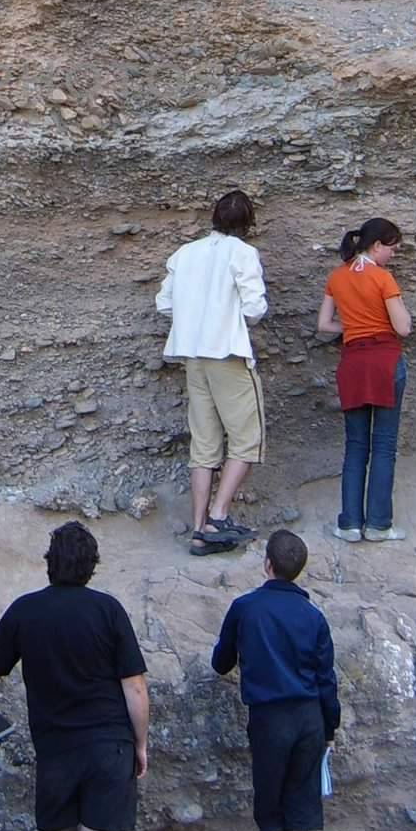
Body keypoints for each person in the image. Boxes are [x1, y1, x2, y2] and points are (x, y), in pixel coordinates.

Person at [0, 521, 148, 831]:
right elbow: (135, 687)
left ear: (50, 562)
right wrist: (140, 743)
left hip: (57, 750)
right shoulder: (109, 610)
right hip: (109, 747)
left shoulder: (25, 610)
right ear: (92, 564)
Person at [212, 529, 340, 831]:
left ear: (267, 564)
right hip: (310, 716)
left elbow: (221, 662)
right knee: (301, 803)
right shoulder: (314, 616)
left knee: (269, 803)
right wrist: (330, 726)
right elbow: (326, 679)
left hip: (269, 717)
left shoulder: (245, 608)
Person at [156, 189, 268, 556]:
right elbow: (254, 309)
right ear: (248, 223)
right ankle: (218, 516)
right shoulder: (243, 253)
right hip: (227, 354)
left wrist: (195, 317)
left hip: (193, 355)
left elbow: (164, 304)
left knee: (204, 444)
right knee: (247, 439)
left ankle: (200, 529)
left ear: (214, 218)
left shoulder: (184, 254)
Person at [316, 218, 412, 543]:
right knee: (384, 445)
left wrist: (353, 329)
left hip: (353, 363)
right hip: (384, 362)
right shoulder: (382, 278)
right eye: (392, 249)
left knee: (355, 446)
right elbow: (403, 328)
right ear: (377, 246)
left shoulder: (336, 277)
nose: (393, 255)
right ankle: (379, 525)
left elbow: (324, 324)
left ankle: (349, 524)